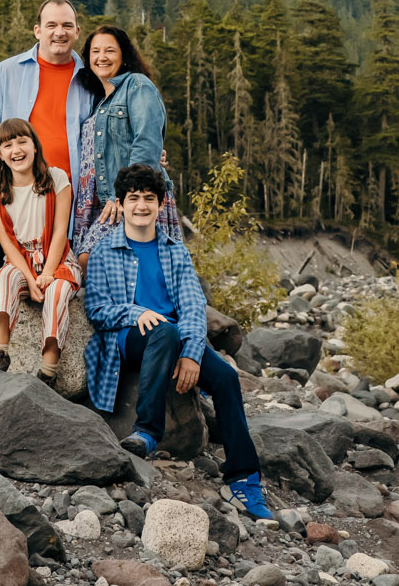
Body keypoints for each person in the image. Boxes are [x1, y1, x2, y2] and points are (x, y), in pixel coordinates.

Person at [82, 162, 272, 520]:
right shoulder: (106, 252)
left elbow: (192, 307)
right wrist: (136, 313)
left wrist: (191, 355)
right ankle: (148, 432)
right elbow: (97, 309)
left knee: (228, 378)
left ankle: (243, 480)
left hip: (175, 338)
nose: (141, 205)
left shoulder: (174, 250)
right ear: (120, 204)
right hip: (129, 341)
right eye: (133, 198)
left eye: (149, 199)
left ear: (161, 204)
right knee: (163, 330)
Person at [0, 0, 100, 182]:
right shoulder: (6, 72)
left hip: (75, 200)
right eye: (51, 25)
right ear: (37, 31)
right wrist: (1, 178)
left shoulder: (91, 78)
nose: (59, 32)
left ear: (77, 31)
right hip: (18, 197)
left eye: (67, 26)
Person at [0, 117, 79, 384]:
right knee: (4, 278)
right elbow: (7, 244)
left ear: (35, 146)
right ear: (0, 155)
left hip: (57, 261)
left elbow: (61, 230)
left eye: (22, 141)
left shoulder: (56, 178)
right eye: (7, 145)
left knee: (57, 292)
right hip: (21, 261)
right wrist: (28, 277)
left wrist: (48, 274)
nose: (16, 150)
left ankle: (49, 367)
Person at [71, 23, 178, 257]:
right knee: (96, 266)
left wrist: (126, 195)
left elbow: (147, 142)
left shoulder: (137, 85)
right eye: (95, 51)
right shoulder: (98, 100)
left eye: (110, 50)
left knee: (92, 259)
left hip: (129, 197)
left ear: (123, 55)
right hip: (99, 201)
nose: (102, 57)